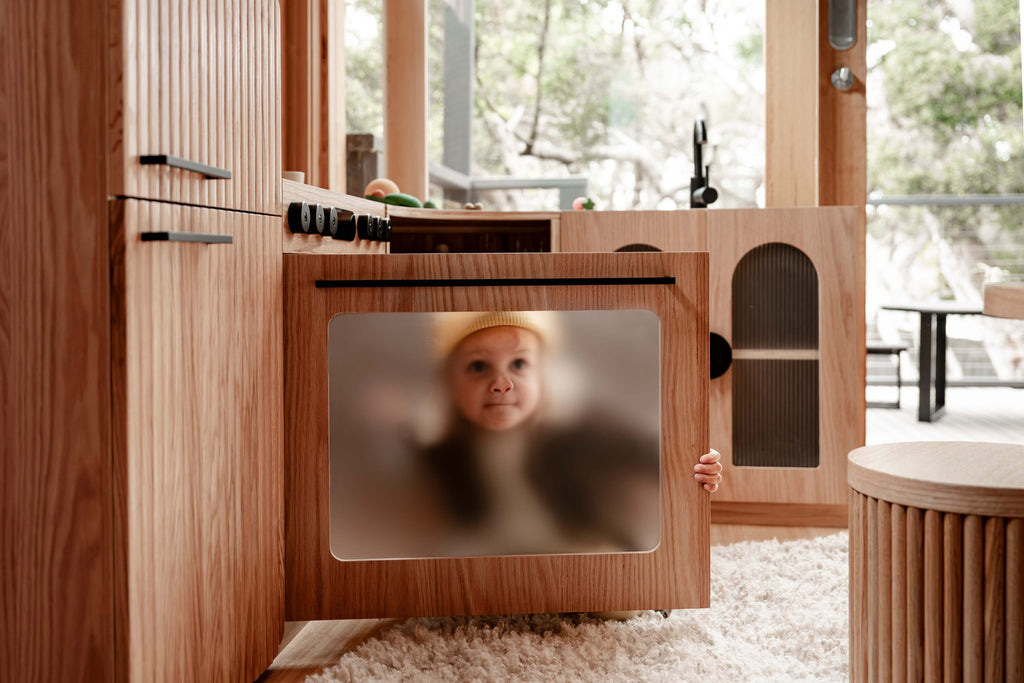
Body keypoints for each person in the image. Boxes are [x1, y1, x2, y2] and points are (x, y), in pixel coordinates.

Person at [419, 311, 723, 558]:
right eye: (478, 366)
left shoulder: (575, 432)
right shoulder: (445, 451)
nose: (501, 382)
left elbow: (648, 453)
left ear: (543, 376)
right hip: (491, 557)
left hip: (571, 551)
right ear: (449, 384)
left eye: (519, 364)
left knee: (618, 592)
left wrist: (695, 466)